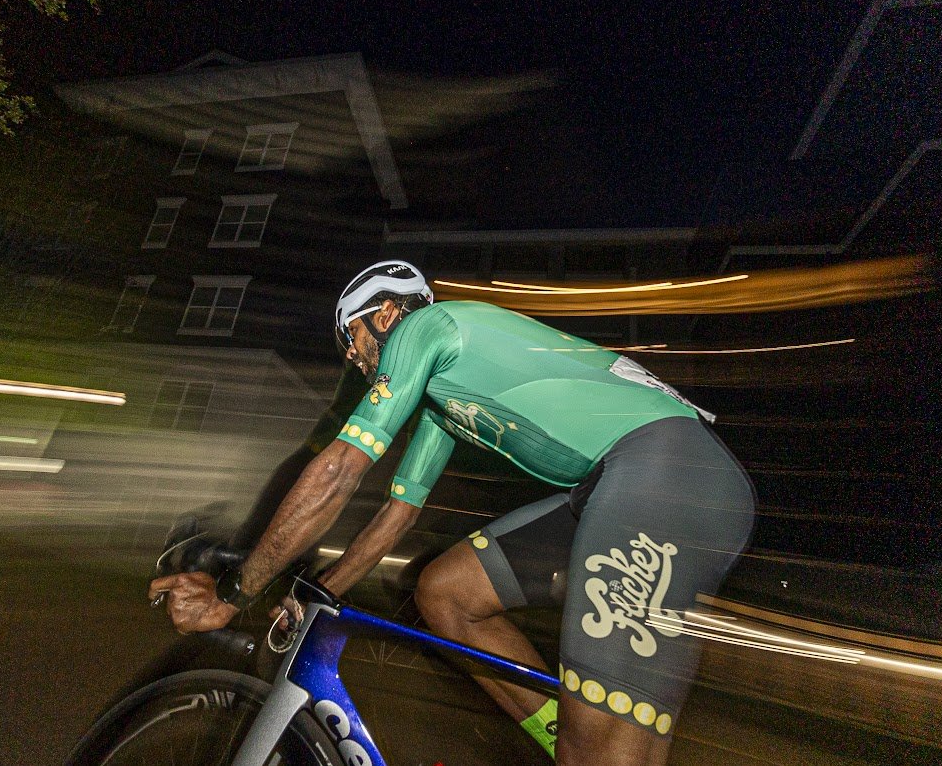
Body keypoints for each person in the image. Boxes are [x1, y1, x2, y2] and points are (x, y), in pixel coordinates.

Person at [150, 260, 756, 766]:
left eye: (353, 343)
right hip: (624, 484)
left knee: (600, 752)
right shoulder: (445, 395)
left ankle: (590, 747)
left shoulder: (426, 328)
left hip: (667, 475)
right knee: (446, 593)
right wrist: (315, 592)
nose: (357, 364)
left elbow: (337, 472)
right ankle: (572, 738)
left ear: (384, 315)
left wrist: (234, 594)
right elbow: (396, 517)